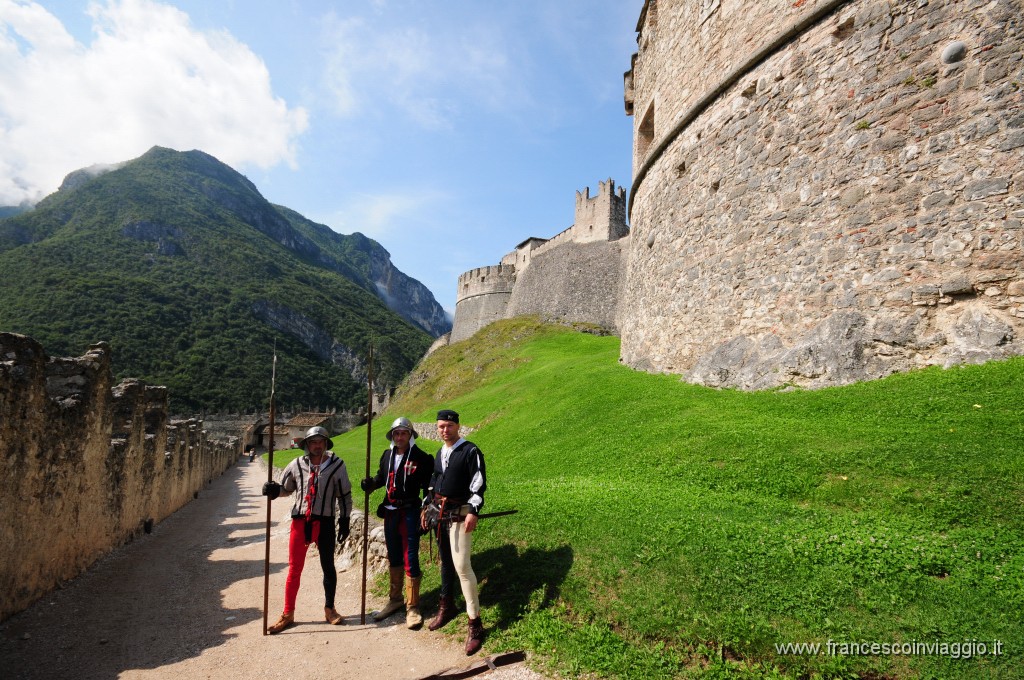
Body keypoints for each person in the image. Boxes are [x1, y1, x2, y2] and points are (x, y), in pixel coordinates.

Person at [261, 425, 352, 634]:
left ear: (326, 443)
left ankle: (330, 609)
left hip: (326, 522)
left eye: (320, 442)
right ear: (307, 445)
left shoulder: (337, 465)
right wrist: (274, 490)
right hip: (301, 522)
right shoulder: (296, 464)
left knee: (328, 566)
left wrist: (345, 520)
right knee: (294, 568)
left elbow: (344, 496)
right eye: (313, 442)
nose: (316, 446)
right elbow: (286, 489)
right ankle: (288, 613)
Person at [422, 409, 487, 655]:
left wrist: (473, 510)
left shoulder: (470, 451)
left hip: (460, 513)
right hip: (440, 514)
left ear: (458, 426)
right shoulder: (441, 452)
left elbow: (479, 483)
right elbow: (435, 479)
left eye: (449, 425)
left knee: (462, 566)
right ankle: (446, 607)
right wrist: (427, 505)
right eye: (440, 426)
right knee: (446, 563)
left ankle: (475, 625)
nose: (444, 430)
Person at [360, 417, 434, 629]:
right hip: (390, 512)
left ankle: (413, 606)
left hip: (410, 512)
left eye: (403, 433)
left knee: (410, 555)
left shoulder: (421, 458)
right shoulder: (387, 455)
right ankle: (394, 600)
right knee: (393, 555)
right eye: (396, 433)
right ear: (392, 436)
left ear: (410, 435)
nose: (399, 437)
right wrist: (371, 484)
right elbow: (382, 478)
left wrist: (427, 508)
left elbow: (429, 486)